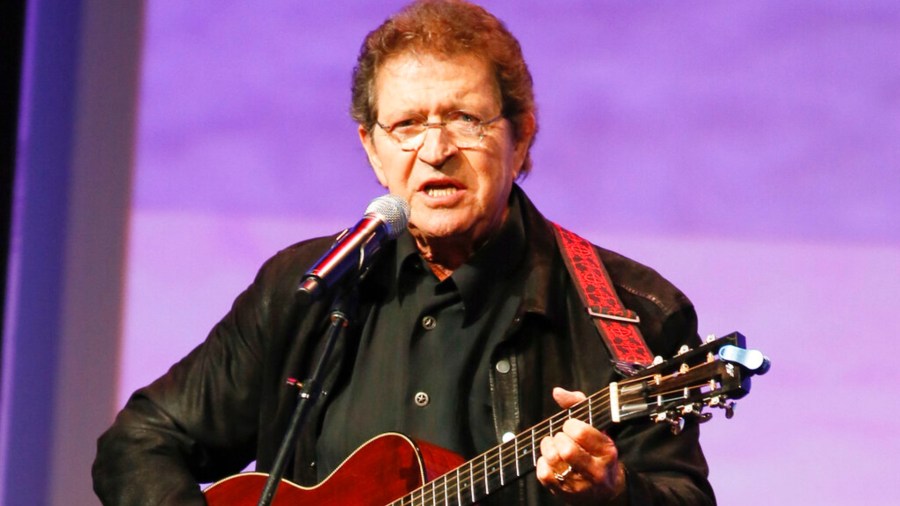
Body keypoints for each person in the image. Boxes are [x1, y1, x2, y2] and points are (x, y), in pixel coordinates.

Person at [93, 1, 716, 504]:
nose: (436, 149)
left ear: (522, 137)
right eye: (408, 125)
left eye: (467, 119)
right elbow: (140, 442)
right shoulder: (308, 288)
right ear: (371, 148)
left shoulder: (630, 311)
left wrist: (614, 494)